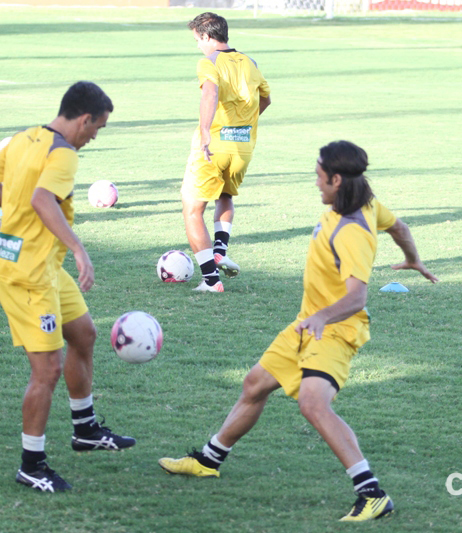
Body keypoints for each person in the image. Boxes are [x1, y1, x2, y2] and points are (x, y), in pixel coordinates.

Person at [159, 141, 438, 521]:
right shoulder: (366, 205)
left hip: (334, 330)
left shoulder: (352, 229)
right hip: (307, 324)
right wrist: (413, 259)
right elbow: (399, 226)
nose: (316, 183)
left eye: (320, 176)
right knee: (255, 385)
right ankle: (208, 460)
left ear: (337, 179)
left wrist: (323, 318)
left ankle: (372, 494)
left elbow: (357, 296)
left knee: (312, 404)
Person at [0, 81, 135, 493]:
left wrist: (14, 206)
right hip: (28, 274)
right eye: (97, 127)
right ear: (84, 119)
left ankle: (85, 430)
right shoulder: (63, 153)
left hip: (42, 265)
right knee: (47, 369)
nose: (95, 136)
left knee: (84, 333)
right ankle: (32, 463)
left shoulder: (25, 138)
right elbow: (45, 200)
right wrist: (79, 249)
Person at [182, 12, 271, 292]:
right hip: (242, 147)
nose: (198, 45)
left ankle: (211, 281)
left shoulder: (209, 62)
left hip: (213, 146)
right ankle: (220, 249)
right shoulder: (250, 62)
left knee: (192, 210)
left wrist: (206, 130)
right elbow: (266, 98)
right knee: (226, 195)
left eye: (198, 39)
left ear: (208, 36)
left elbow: (210, 92)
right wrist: (246, 122)